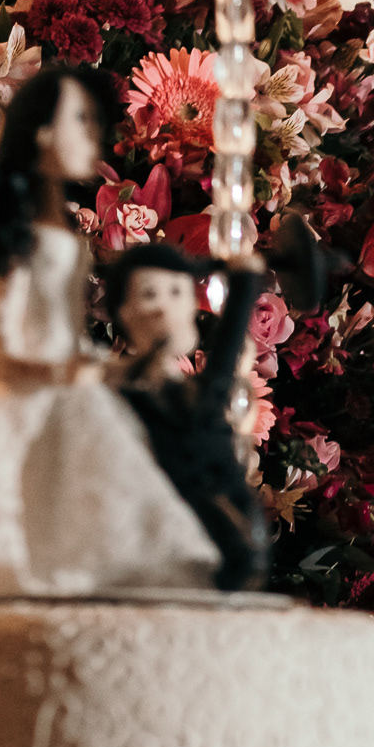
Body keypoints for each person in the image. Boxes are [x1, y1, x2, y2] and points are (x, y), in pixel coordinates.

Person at [0, 66, 220, 598]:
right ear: (41, 132)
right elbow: (5, 334)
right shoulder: (25, 235)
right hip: (28, 388)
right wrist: (65, 367)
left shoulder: (57, 226)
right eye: (78, 121)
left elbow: (61, 324)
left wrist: (98, 363)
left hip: (65, 380)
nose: (92, 136)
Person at [103, 241, 270, 592]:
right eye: (149, 295)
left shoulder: (199, 392)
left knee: (245, 555)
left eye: (177, 293)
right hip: (171, 512)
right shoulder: (123, 391)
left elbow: (226, 348)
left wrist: (245, 284)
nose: (164, 308)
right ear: (123, 312)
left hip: (224, 493)